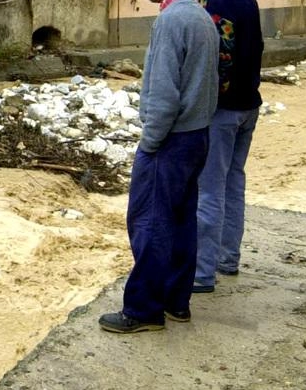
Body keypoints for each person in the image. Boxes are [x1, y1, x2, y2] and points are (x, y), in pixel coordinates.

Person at [99, 0, 219, 333]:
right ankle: (176, 302)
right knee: (181, 221)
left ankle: (143, 310)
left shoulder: (170, 20)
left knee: (149, 222)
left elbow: (165, 93)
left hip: (170, 139)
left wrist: (150, 142)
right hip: (197, 135)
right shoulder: (201, 17)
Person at [193, 0, 264, 294]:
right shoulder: (248, 2)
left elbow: (221, 62)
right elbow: (256, 47)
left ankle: (202, 273)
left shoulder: (218, 8)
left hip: (224, 112)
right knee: (233, 183)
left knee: (209, 189)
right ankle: (227, 258)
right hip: (249, 105)